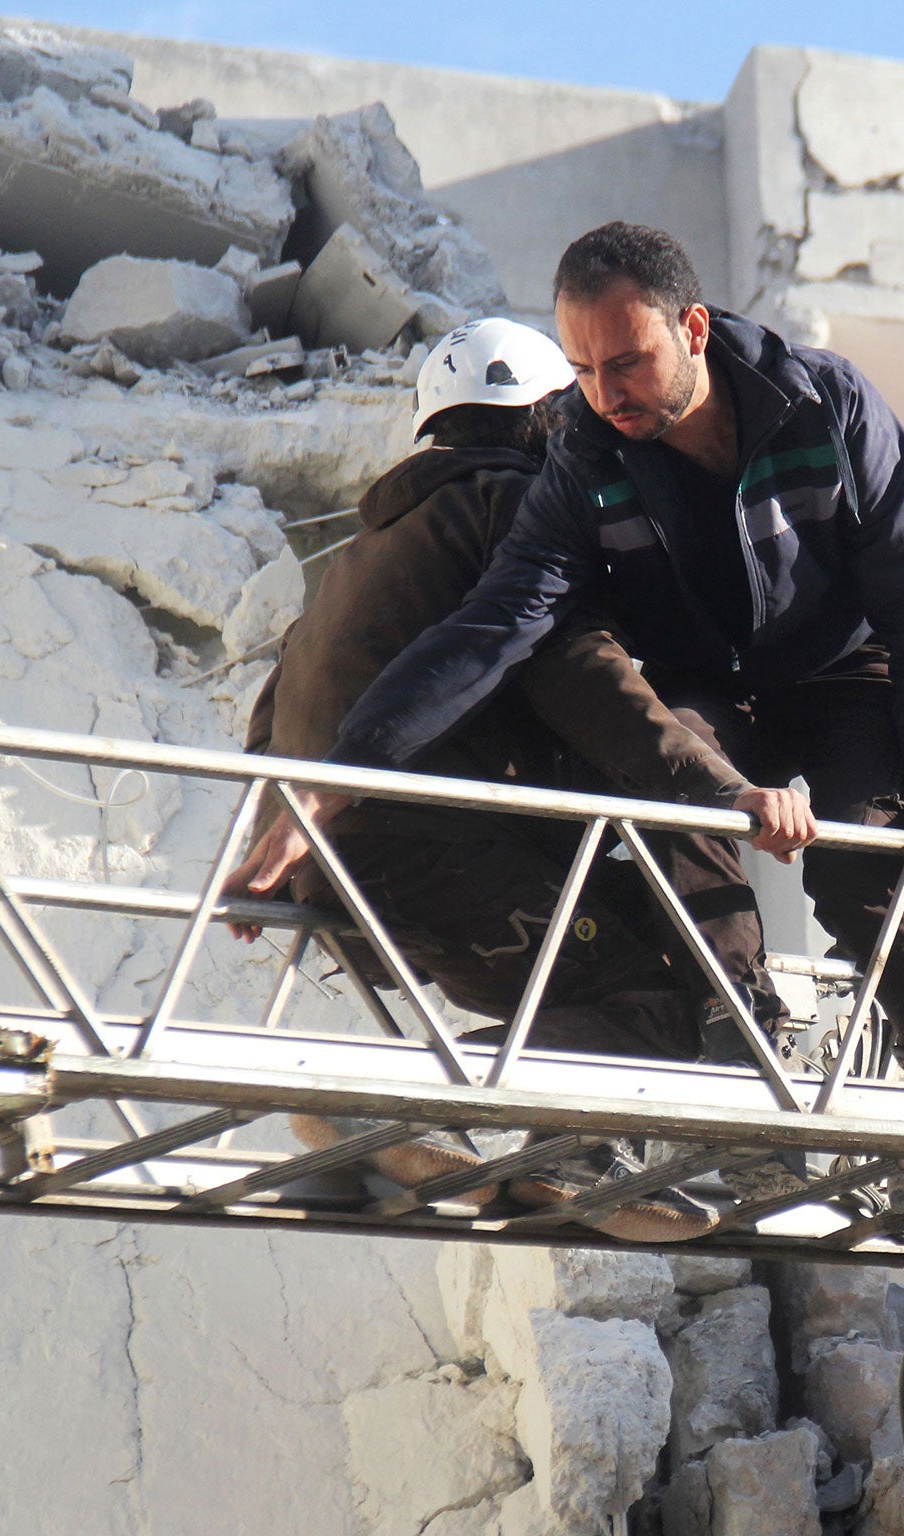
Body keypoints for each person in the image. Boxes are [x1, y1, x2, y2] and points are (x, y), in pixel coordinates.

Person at [230, 222, 904, 1089]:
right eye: (583, 370)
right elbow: (496, 626)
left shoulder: (827, 407)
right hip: (705, 682)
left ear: (693, 330)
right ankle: (734, 1034)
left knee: (859, 859)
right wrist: (333, 780)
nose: (605, 394)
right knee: (675, 785)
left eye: (628, 362)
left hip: (839, 674)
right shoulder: (581, 465)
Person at [246, 318, 806, 1241]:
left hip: (343, 862)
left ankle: (558, 1147)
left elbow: (271, 718)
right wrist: (716, 786)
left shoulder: (357, 557)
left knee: (591, 975)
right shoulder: (510, 509)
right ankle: (398, 1107)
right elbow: (578, 672)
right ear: (551, 419)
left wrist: (271, 844)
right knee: (667, 1003)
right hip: (438, 849)